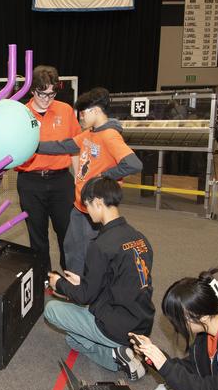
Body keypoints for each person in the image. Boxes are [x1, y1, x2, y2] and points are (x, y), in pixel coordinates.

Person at [43, 177, 154, 380]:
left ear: (98, 202)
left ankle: (115, 354)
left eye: (87, 206)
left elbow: (85, 297)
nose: (87, 211)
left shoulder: (101, 244)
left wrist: (59, 283)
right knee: (73, 341)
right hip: (142, 321)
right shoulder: (139, 238)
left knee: (51, 310)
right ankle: (123, 352)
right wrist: (81, 281)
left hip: (116, 326)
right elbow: (120, 279)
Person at [37, 87, 142, 273]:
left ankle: (85, 292)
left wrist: (102, 177)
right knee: (72, 248)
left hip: (94, 207)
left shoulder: (109, 135)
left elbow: (133, 164)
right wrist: (32, 145)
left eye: (83, 113)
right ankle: (76, 288)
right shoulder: (89, 134)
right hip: (80, 205)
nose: (81, 118)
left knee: (88, 253)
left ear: (95, 110)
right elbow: (63, 146)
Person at [15, 65, 80, 270]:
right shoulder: (21, 113)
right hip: (30, 182)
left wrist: (79, 180)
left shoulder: (65, 110)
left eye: (51, 93)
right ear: (33, 89)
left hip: (61, 181)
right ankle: (43, 279)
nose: (46, 98)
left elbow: (76, 147)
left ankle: (70, 278)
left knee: (68, 233)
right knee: (37, 235)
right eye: (42, 93)